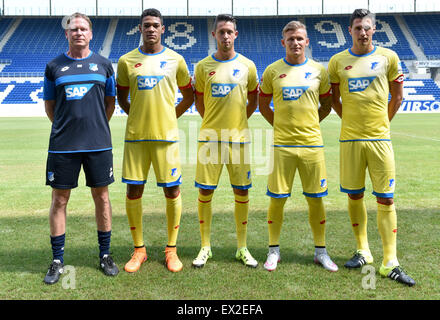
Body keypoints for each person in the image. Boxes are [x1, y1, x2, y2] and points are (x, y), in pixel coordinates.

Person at [328, 9, 415, 286]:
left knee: (386, 197)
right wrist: (351, 122)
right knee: (354, 195)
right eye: (357, 28)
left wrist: (381, 124)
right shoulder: (337, 61)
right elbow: (333, 99)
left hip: (380, 140)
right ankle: (363, 251)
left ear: (373, 30)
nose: (362, 32)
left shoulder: (388, 57)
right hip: (350, 140)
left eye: (367, 27)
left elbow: (397, 96)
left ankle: (390, 262)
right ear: (349, 30)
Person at [116, 8, 194, 273]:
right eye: (146, 25)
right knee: (133, 191)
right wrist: (137, 115)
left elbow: (189, 95)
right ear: (140, 29)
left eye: (155, 25)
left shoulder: (176, 59)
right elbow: (122, 97)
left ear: (163, 29)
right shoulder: (126, 60)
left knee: (172, 191)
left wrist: (171, 117)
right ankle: (139, 250)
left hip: (167, 139)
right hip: (136, 138)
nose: (151, 29)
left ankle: (171, 250)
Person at [42, 12, 118, 284]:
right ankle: (57, 259)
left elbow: (109, 104)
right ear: (67, 34)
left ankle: (105, 254)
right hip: (63, 147)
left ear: (91, 33)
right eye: (73, 29)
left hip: (98, 144)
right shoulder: (53, 67)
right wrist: (69, 128)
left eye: (83, 28)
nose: (78, 33)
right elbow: (51, 108)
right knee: (59, 200)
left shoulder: (104, 65)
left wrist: (93, 126)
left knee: (102, 197)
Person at [258, 21, 338, 272]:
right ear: (283, 42)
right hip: (282, 146)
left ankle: (321, 252)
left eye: (300, 38)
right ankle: (273, 252)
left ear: (307, 41)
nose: (295, 42)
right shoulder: (272, 71)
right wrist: (280, 126)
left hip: (312, 146)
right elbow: (263, 105)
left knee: (316, 200)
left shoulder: (319, 71)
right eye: (290, 38)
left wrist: (312, 123)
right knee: (277, 200)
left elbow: (327, 104)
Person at [192, 14, 259, 268]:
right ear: (214, 35)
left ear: (236, 34)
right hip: (209, 139)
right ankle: (205, 247)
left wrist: (238, 121)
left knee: (241, 191)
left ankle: (242, 247)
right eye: (221, 32)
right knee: (205, 191)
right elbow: (200, 101)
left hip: (239, 140)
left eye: (229, 31)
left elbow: (252, 100)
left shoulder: (248, 66)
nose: (225, 36)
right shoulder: (201, 67)